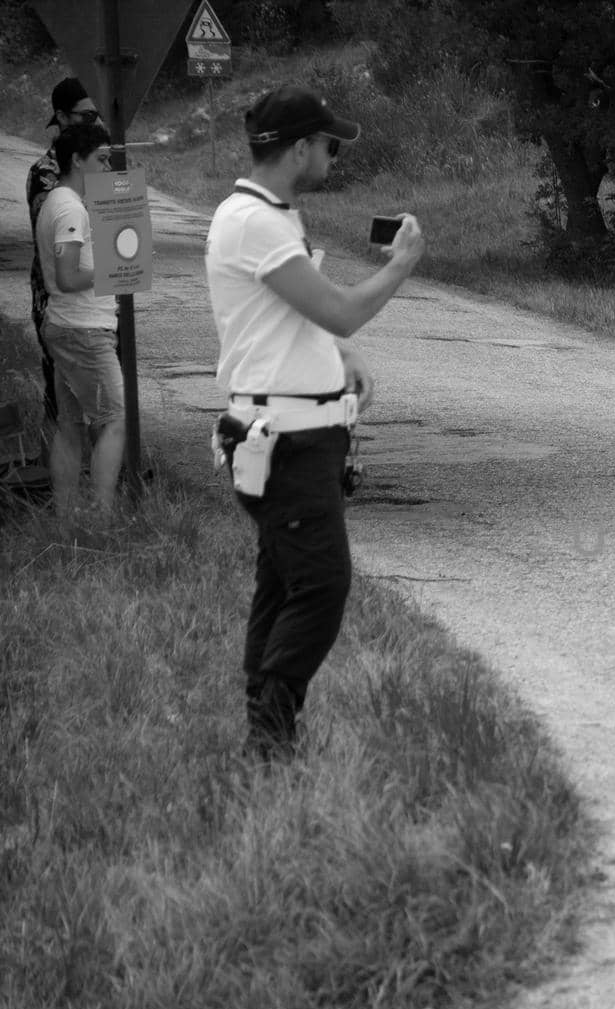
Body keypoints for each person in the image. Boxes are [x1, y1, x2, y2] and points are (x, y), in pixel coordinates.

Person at [205, 85, 425, 762]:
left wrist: (338, 358)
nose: (334, 152)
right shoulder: (256, 221)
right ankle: (269, 736)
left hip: (297, 436)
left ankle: (266, 734)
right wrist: (401, 265)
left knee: (282, 582)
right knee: (323, 586)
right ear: (298, 149)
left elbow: (290, 316)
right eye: (329, 143)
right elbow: (339, 309)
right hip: (289, 444)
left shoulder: (269, 214)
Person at [33, 122, 123, 513]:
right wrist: (118, 270)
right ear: (76, 160)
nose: (106, 169)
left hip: (65, 327)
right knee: (116, 420)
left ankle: (68, 521)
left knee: (69, 428)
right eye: (100, 160)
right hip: (85, 330)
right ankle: (102, 519)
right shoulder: (71, 207)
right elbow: (69, 276)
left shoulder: (56, 201)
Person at [27, 77, 105, 426]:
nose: (96, 124)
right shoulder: (46, 175)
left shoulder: (99, 166)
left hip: (98, 298)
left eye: (98, 116)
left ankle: (108, 469)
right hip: (59, 299)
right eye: (86, 117)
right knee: (63, 395)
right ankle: (60, 472)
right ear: (61, 116)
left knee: (100, 389)